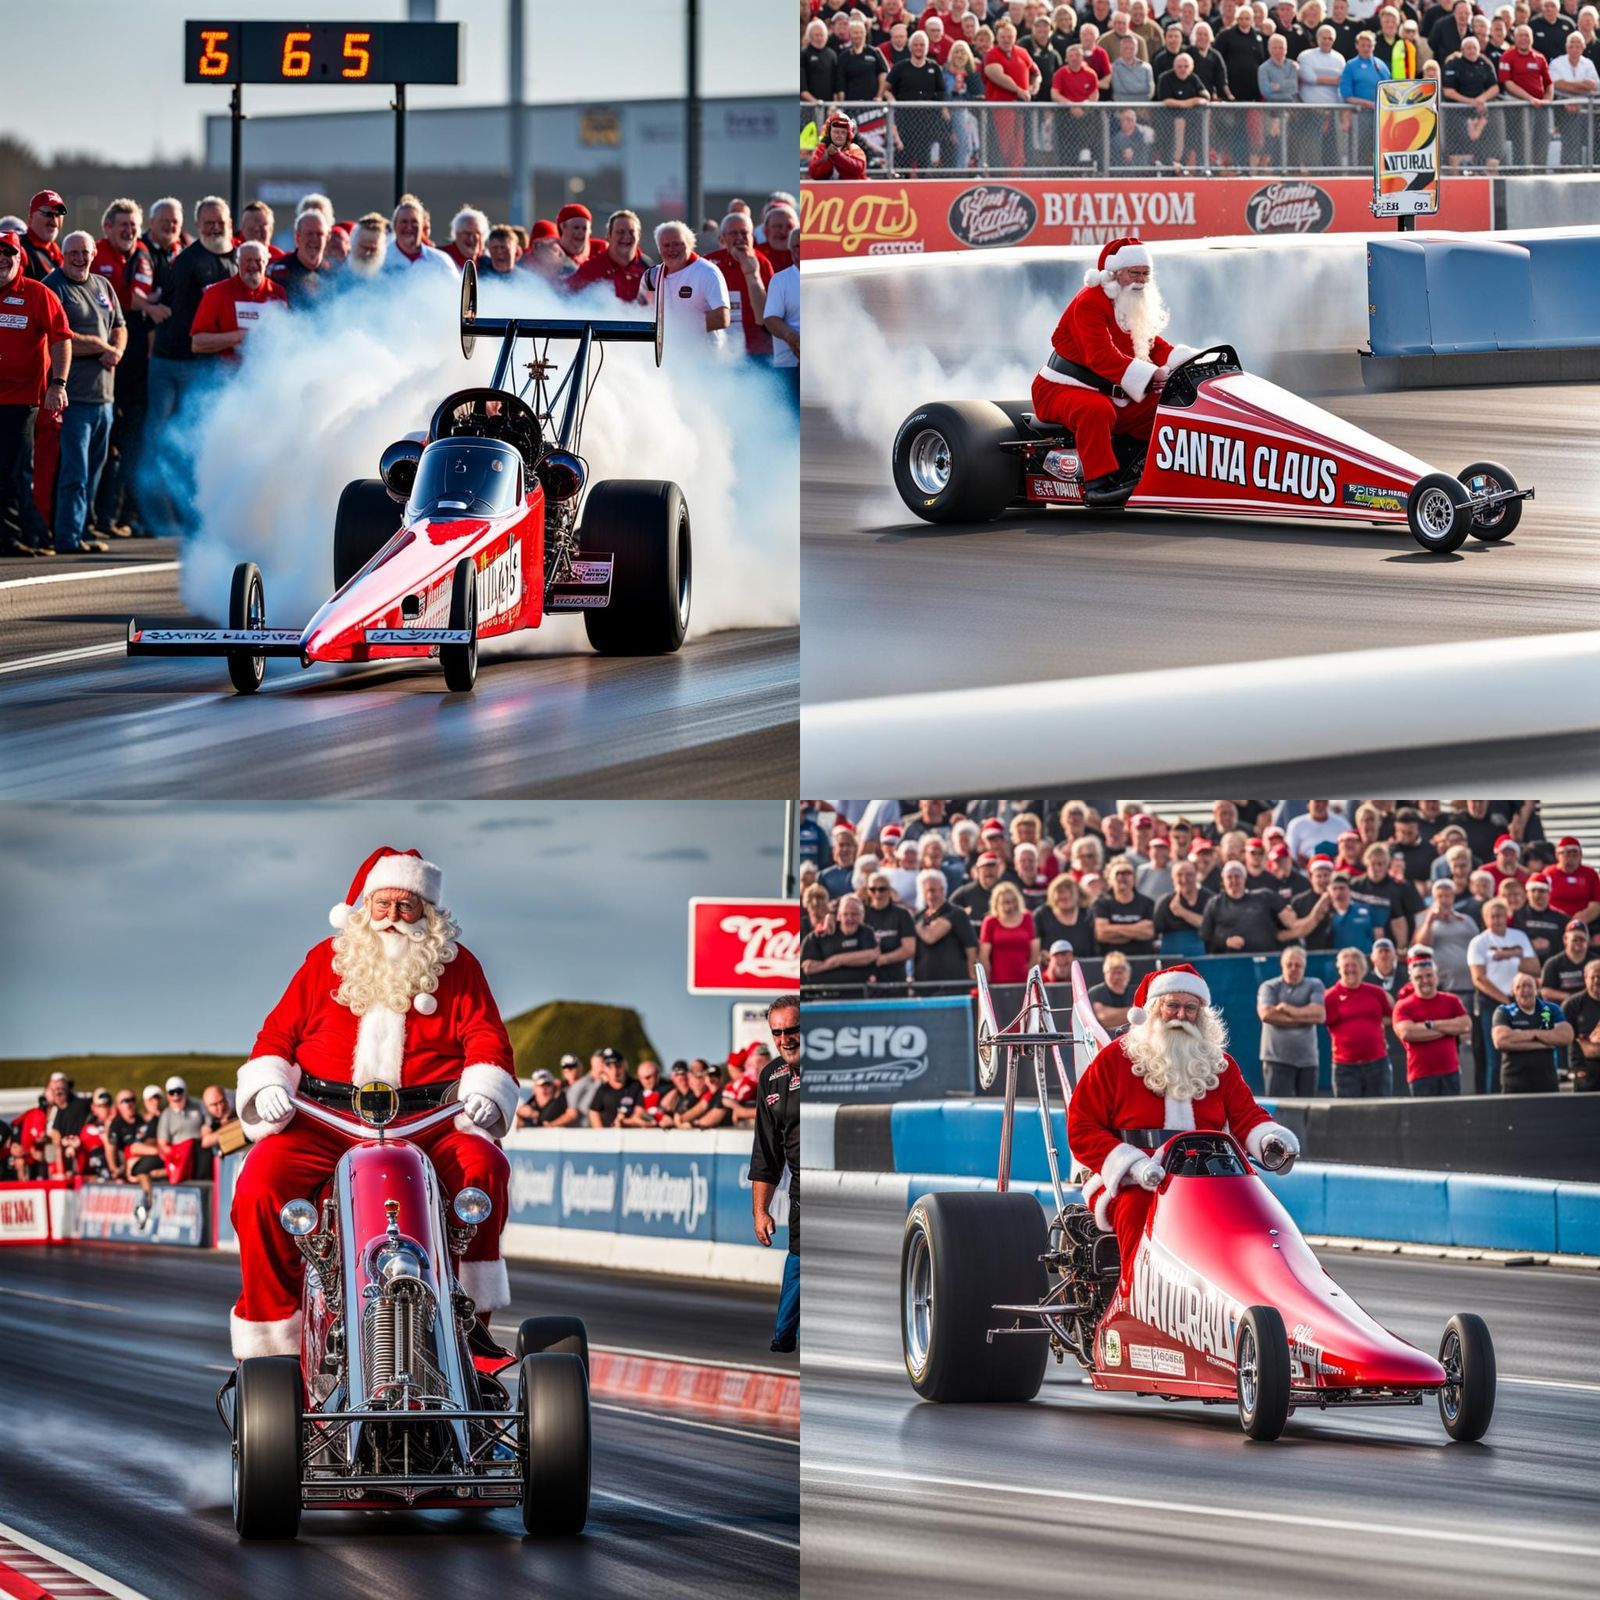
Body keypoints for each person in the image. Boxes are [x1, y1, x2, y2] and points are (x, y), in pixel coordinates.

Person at [228, 848, 518, 1361]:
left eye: (406, 907)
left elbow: (487, 1037)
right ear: (364, 908)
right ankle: (273, 1339)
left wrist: (484, 1090)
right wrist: (269, 1082)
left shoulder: (459, 966)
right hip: (326, 1122)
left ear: (427, 912)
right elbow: (277, 1034)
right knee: (259, 1184)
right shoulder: (326, 960)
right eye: (382, 906)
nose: (392, 919)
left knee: (484, 1168)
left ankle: (469, 1328)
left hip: (429, 1122)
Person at [1067, 964, 1299, 1294]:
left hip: (1206, 1177)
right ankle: (1135, 1300)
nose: (1181, 1015)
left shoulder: (1219, 1064)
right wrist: (1131, 1164)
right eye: (1172, 1005)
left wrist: (1269, 1138)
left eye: (1191, 1008)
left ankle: (1255, 1298)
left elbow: (1247, 1116)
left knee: (1258, 1216)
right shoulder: (1113, 1061)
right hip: (1133, 1179)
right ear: (1152, 1008)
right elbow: (1082, 1126)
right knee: (1138, 1215)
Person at [1030, 237, 1197, 508]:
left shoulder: (1132, 302)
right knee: (1096, 410)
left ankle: (1149, 469)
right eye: (1134, 273)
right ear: (1115, 272)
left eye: (1146, 273)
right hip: (1061, 388)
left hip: (1115, 392)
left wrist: (1187, 360)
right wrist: (1152, 375)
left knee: (1170, 404)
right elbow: (1101, 358)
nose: (1141, 280)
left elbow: (1153, 347)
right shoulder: (1089, 303)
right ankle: (1098, 485)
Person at [40, 232, 125, 557]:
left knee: (94, 470)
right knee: (74, 472)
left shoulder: (103, 285)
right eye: (73, 252)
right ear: (63, 254)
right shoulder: (54, 286)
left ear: (93, 254)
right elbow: (59, 335)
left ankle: (81, 528)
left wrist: (116, 349)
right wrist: (102, 347)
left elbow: (120, 324)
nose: (80, 258)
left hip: (104, 397)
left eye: (85, 252)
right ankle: (66, 537)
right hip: (73, 398)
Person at [0, 229, 71, 557]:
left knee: (14, 471)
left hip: (20, 400)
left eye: (8, 252)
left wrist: (58, 384)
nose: (2, 258)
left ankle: (15, 537)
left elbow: (61, 337)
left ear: (20, 258)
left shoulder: (37, 294)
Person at [751, 996, 800, 1353]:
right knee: (799, 1259)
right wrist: (760, 1210)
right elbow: (766, 1152)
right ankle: (784, 1336)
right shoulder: (770, 1077)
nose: (786, 1039)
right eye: (778, 1032)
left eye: (793, 1030)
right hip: (801, 1190)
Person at [1467, 897, 1539, 1093]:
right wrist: (1505, 1001)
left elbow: (1534, 968)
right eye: (1493, 916)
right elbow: (1479, 979)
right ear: (1485, 918)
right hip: (1492, 1003)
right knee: (1494, 1055)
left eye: (1500, 915)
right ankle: (1493, 1098)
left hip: (1521, 1000)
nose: (1497, 920)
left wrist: (1507, 955)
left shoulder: (1519, 936)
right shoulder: (1479, 942)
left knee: (1523, 1050)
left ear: (1507, 916)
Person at [1392, 947, 1471, 1096]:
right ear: (1411, 980)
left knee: (1452, 1116)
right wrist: (1448, 1028)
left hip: (1450, 1073)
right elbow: (1408, 1032)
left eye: (1429, 975)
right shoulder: (1403, 1005)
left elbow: (1465, 1025)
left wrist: (1431, 1025)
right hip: (1421, 1075)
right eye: (1419, 977)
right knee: (1424, 1118)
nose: (1425, 981)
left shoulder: (1451, 1000)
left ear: (1436, 977)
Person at [189, 241, 286, 363]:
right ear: (237, 262)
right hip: (226, 375)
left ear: (266, 262)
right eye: (248, 260)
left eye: (258, 260)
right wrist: (240, 337)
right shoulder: (216, 293)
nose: (253, 265)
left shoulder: (277, 293)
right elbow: (197, 343)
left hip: (266, 372)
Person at [641, 221, 730, 351]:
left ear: (690, 244)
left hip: (705, 357)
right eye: (666, 245)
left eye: (677, 244)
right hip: (670, 356)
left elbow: (721, 318)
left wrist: (679, 331)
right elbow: (642, 312)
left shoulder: (707, 272)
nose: (672, 249)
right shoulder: (652, 276)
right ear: (659, 249)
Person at [1322, 946, 1395, 1097]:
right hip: (1345, 1067)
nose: (1350, 969)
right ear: (1339, 969)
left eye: (1354, 965)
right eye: (1346, 966)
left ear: (1362, 968)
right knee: (1348, 1116)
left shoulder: (1376, 992)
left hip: (1377, 1064)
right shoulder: (1329, 997)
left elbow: (1393, 1015)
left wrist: (1373, 1028)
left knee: (1381, 1113)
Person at [1257, 944, 1327, 1096]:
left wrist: (1288, 1009)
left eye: (1298, 965)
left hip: (1308, 1061)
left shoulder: (1315, 984)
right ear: (1282, 965)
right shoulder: (1269, 986)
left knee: (1308, 1111)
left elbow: (1320, 1015)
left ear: (1304, 966)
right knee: (1279, 1114)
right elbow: (1267, 1015)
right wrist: (1304, 1018)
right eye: (1289, 964)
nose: (1293, 968)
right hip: (1276, 1060)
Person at [705, 212, 774, 358]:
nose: (739, 238)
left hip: (757, 350)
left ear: (752, 237)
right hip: (719, 351)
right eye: (733, 233)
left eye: (744, 233)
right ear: (723, 238)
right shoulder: (709, 263)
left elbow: (771, 309)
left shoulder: (762, 263)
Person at [1491, 970, 1572, 1093]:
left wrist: (1523, 1036)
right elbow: (1501, 1041)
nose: (1525, 990)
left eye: (1529, 985)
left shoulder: (1550, 1009)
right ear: (1513, 991)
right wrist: (1545, 1042)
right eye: (1519, 986)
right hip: (1514, 1082)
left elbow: (1566, 1037)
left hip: (1547, 1081)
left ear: (1536, 990)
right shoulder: (1503, 1011)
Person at [569, 209, 652, 301]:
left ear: (639, 236)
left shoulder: (647, 267)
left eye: (631, 232)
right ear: (608, 236)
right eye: (620, 232)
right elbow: (564, 295)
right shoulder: (592, 268)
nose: (626, 236)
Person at [801, 893, 881, 989]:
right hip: (823, 994)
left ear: (862, 916)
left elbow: (871, 956)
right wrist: (832, 963)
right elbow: (808, 968)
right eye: (845, 914)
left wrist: (835, 961)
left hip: (859, 993)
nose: (850, 918)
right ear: (838, 916)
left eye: (854, 914)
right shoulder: (821, 934)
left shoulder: (866, 932)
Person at [913, 868, 978, 983]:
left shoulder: (956, 913)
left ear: (942, 890)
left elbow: (971, 947)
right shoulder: (919, 916)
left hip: (953, 984)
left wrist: (972, 975)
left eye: (933, 890)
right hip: (924, 984)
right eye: (925, 890)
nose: (929, 895)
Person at [980, 881, 1041, 983]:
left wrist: (1031, 978)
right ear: (997, 903)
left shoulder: (1027, 917)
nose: (1010, 905)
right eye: (1005, 902)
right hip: (998, 980)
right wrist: (987, 980)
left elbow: (1034, 950)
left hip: (1025, 979)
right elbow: (984, 955)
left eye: (1013, 901)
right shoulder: (990, 921)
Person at [764, 233, 801, 401]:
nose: (800, 251)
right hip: (789, 363)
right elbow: (771, 318)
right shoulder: (780, 280)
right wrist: (791, 337)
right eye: (796, 246)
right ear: (790, 250)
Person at [385, 196, 456, 278]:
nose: (409, 227)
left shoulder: (440, 261)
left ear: (422, 226)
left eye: (414, 222)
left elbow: (457, 289)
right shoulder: (381, 260)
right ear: (394, 226)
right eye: (404, 222)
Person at [1562, 958, 1600, 1091]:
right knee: (1585, 1109)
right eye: (1593, 977)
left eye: (1599, 976)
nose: (1596, 981)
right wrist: (1576, 1068)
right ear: (1585, 978)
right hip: (1584, 1068)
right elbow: (1567, 1039)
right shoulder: (1572, 1005)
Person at [588, 1048, 642, 1127]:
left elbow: (641, 1112)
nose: (615, 1070)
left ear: (625, 1065)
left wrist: (625, 1122)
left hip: (633, 1136)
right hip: (608, 1137)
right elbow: (593, 1112)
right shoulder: (602, 1089)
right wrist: (601, 1134)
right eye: (609, 1066)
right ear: (604, 1068)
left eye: (618, 1065)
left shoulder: (636, 1086)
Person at [1089, 950, 1138, 1031]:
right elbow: (1104, 1018)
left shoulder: (1135, 992)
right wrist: (1136, 1013)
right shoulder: (1096, 992)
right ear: (1105, 974)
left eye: (1120, 972)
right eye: (1113, 973)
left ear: (1128, 974)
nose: (1116, 977)